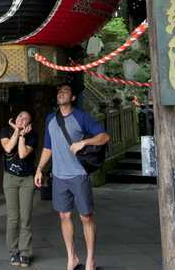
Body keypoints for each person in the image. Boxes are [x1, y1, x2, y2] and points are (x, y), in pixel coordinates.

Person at [34, 84, 110, 270]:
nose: (61, 93)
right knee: (64, 216)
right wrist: (39, 169)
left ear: (73, 97)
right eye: (59, 91)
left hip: (79, 175)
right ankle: (72, 258)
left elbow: (104, 137)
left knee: (86, 217)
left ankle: (90, 260)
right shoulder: (51, 119)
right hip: (59, 176)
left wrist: (83, 141)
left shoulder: (81, 117)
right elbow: (47, 147)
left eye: (66, 91)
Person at [0, 110, 37, 267]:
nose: (22, 119)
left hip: (27, 179)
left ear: (29, 124)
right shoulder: (5, 131)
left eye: (26, 118)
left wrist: (22, 136)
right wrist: (16, 131)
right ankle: (13, 251)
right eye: (20, 116)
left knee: (25, 217)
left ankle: (25, 252)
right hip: (10, 179)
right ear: (15, 118)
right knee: (13, 217)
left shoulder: (33, 135)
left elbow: (22, 154)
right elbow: (8, 148)